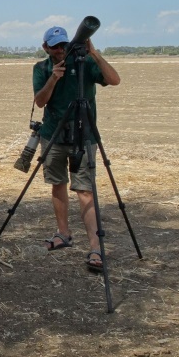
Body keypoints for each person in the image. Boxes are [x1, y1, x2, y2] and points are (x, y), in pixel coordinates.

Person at [32, 26, 120, 271]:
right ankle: (63, 234)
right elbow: (40, 101)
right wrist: (54, 78)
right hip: (53, 135)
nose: (60, 51)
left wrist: (95, 55)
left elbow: (114, 80)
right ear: (46, 47)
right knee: (57, 184)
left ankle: (95, 248)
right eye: (55, 47)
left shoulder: (85, 65)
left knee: (85, 191)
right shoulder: (41, 68)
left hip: (84, 135)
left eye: (64, 46)